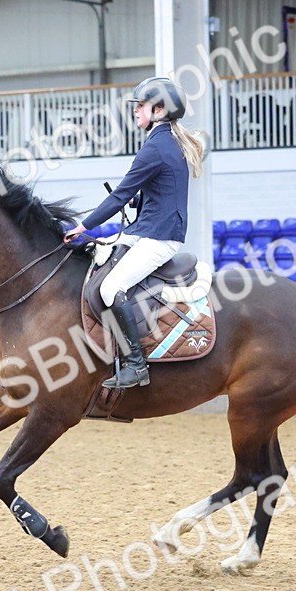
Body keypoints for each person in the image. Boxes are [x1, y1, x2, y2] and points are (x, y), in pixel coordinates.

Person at [64, 76, 205, 389]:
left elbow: (119, 196)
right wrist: (140, 200)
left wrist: (83, 227)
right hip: (147, 229)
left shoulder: (156, 147)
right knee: (97, 260)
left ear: (158, 110)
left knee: (111, 288)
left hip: (158, 238)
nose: (135, 110)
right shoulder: (166, 142)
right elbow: (163, 191)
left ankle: (135, 365)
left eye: (140, 105)